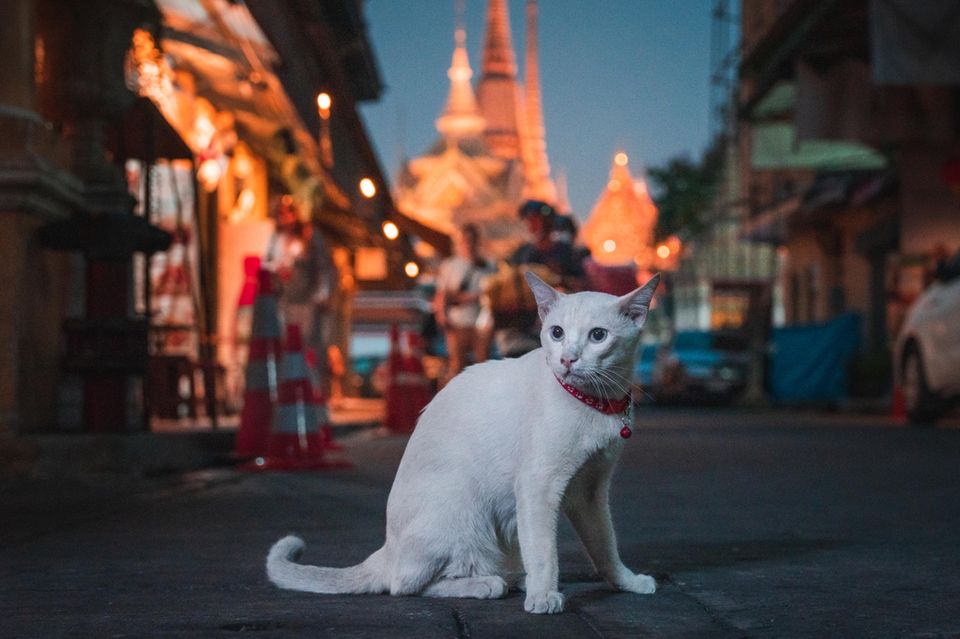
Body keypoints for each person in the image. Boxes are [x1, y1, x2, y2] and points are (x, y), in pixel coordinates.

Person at [433, 224, 494, 384]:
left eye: (471, 240)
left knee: (482, 365)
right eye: (465, 240)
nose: (468, 244)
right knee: (456, 366)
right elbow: (442, 294)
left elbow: (492, 292)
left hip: (481, 323)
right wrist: (442, 317)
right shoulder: (450, 265)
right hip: (457, 322)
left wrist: (473, 297)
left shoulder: (487, 266)